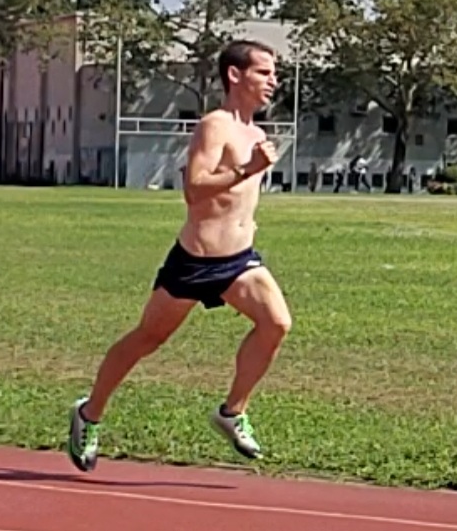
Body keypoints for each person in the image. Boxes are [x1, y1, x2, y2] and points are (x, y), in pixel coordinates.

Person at [66, 39, 294, 472]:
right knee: (147, 338)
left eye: (274, 73)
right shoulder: (214, 126)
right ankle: (89, 413)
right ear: (235, 75)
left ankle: (232, 412)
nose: (273, 81)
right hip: (194, 262)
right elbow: (194, 189)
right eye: (264, 72)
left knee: (277, 323)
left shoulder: (258, 134)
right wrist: (246, 169)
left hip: (239, 261)